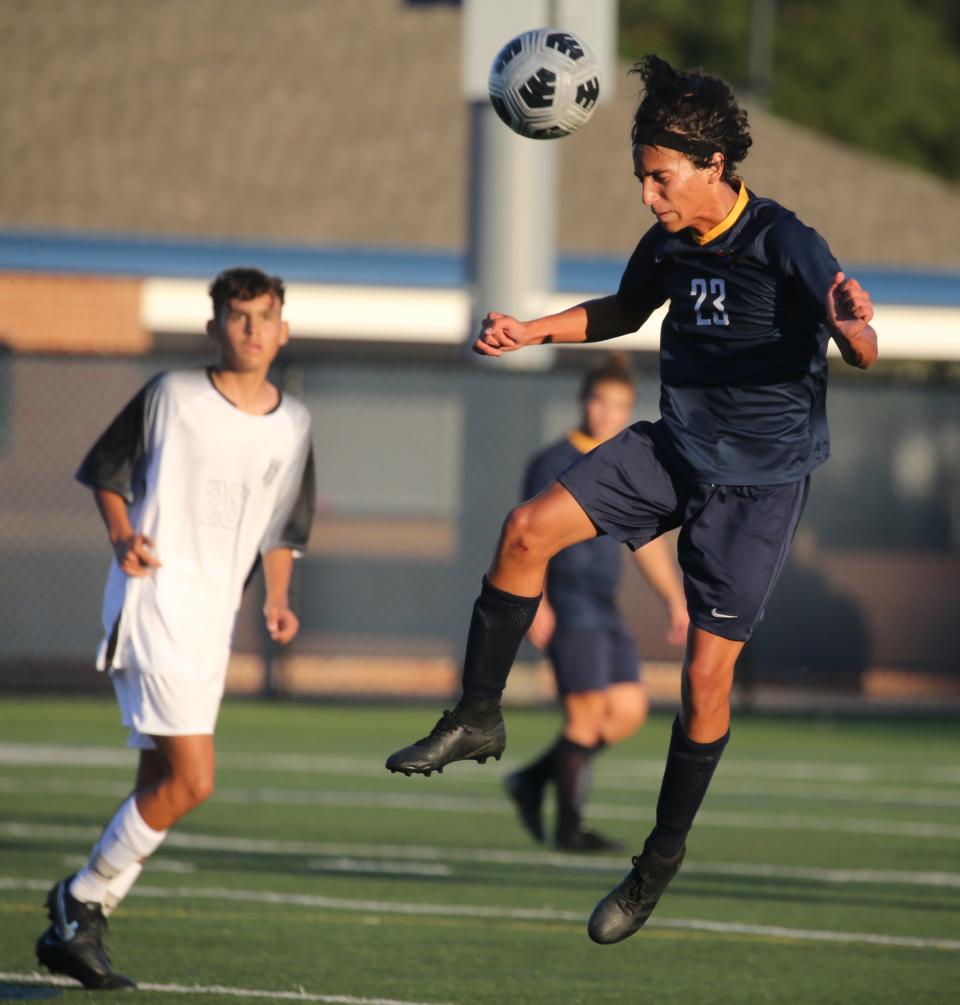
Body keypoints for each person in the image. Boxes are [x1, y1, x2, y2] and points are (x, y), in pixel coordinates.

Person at [385, 53, 877, 945]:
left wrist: (852, 320)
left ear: (711, 167)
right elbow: (623, 308)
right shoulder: (667, 245)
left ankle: (657, 863)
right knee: (526, 529)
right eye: (642, 178)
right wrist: (534, 326)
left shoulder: (785, 239)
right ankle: (478, 715)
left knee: (701, 680)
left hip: (759, 485)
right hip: (674, 447)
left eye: (660, 179)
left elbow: (862, 342)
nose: (648, 195)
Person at [35, 268, 315, 988]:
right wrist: (123, 534)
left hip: (214, 618)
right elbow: (107, 470)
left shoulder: (294, 424)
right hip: (154, 602)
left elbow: (284, 526)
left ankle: (83, 927)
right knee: (194, 779)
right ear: (213, 326)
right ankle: (80, 896)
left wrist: (275, 597)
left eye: (264, 317)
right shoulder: (172, 394)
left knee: (159, 776)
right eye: (239, 316)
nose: (252, 330)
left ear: (284, 329)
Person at [506, 355, 688, 853]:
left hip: (605, 607)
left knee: (627, 710)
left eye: (619, 407)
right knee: (584, 717)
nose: (608, 415)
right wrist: (535, 603)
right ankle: (570, 828)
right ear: (584, 401)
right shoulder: (551, 460)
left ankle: (531, 780)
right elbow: (525, 537)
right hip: (568, 602)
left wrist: (674, 598)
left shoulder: (628, 462)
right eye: (600, 402)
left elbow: (645, 539)